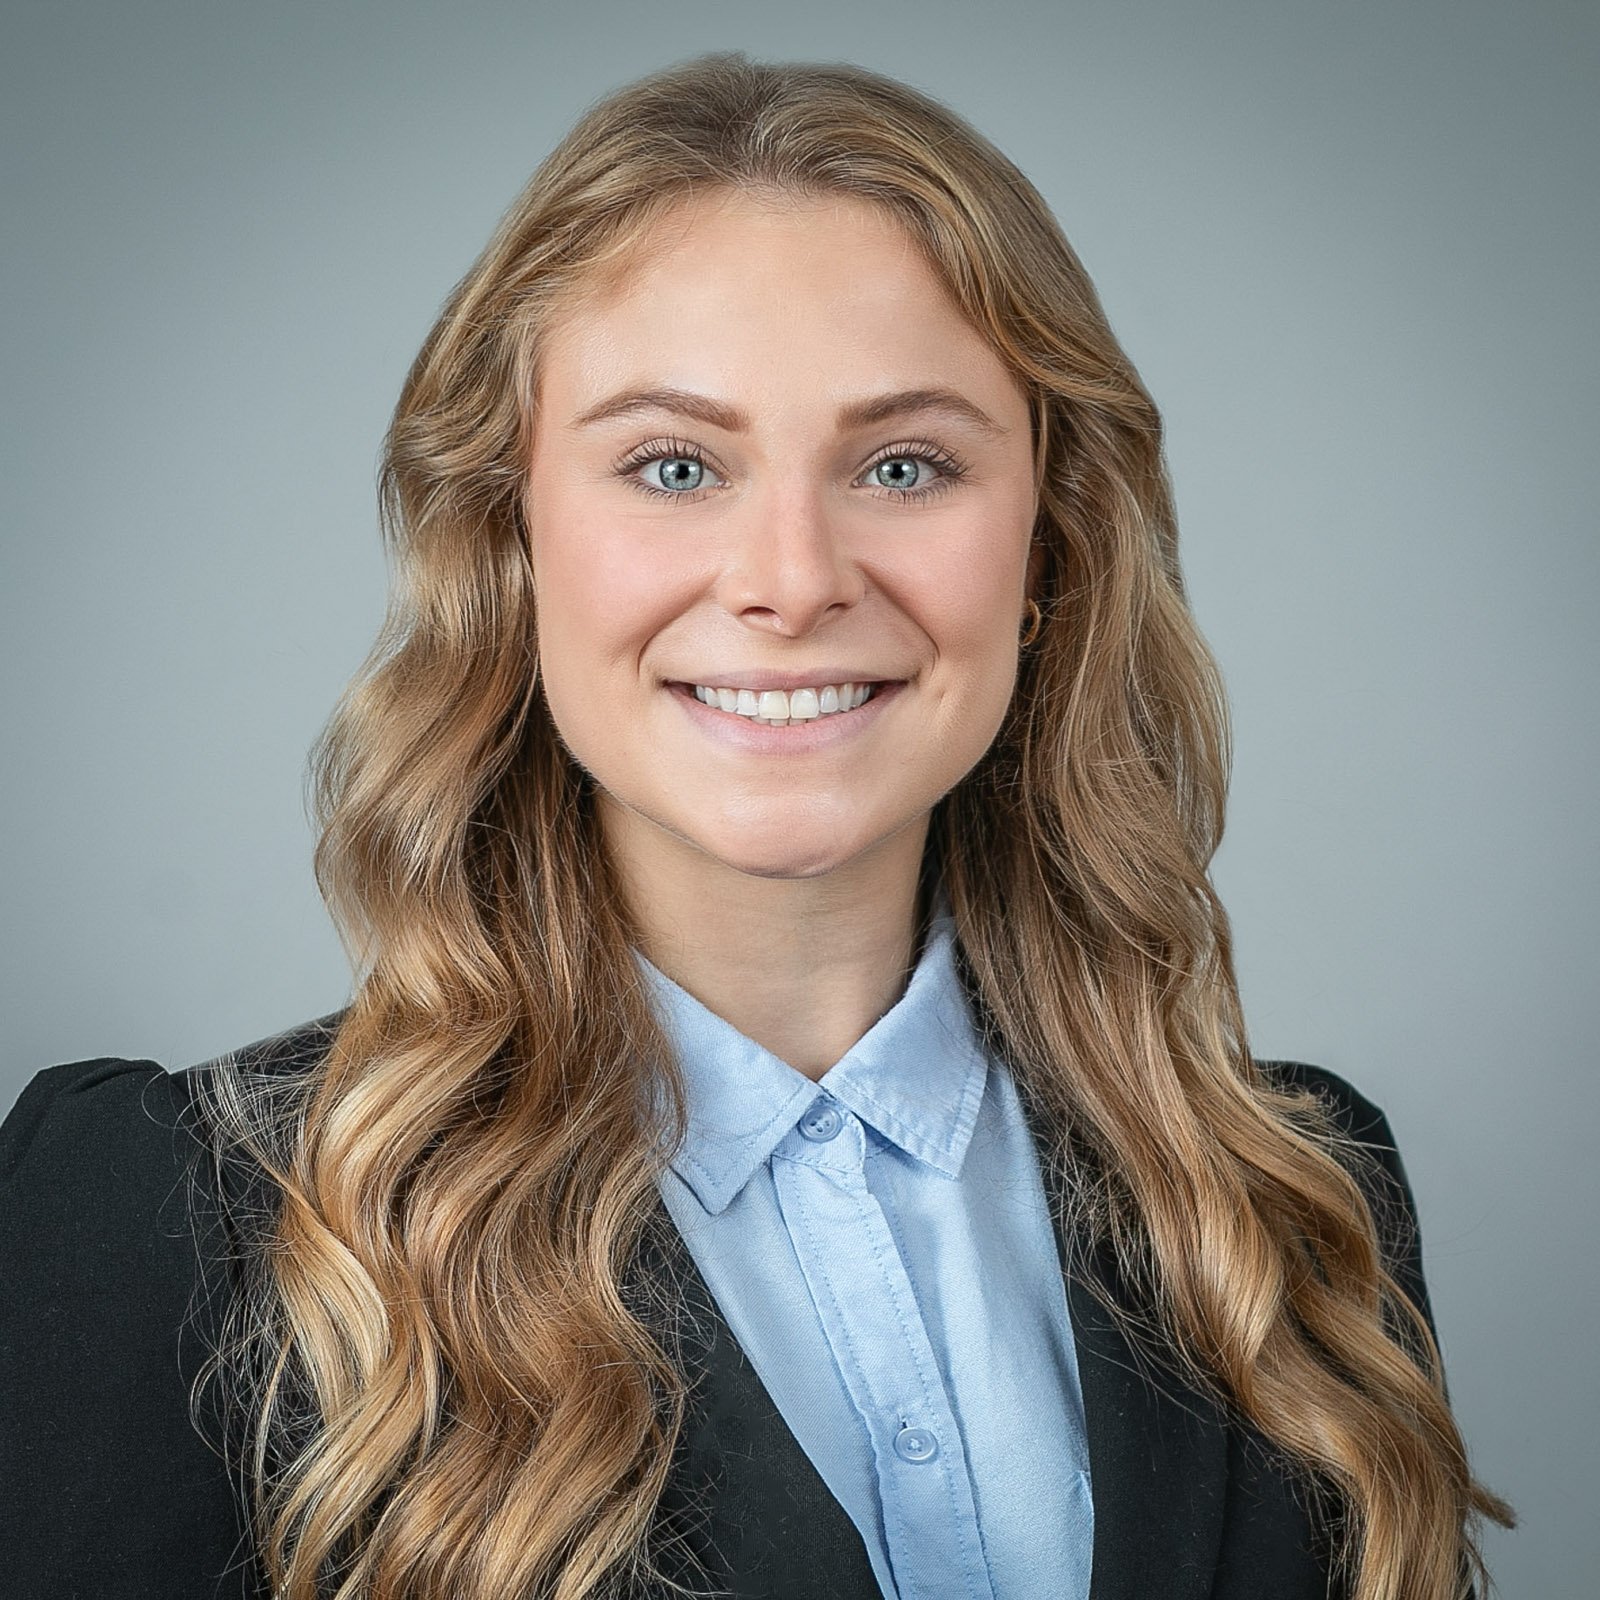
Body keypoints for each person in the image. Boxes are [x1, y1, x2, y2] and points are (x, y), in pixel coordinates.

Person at [0, 51, 1509, 1600]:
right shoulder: (165, 1223)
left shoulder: (1298, 1204)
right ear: (509, 548)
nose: (793, 580)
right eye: (673, 466)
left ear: (1050, 546)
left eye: (905, 465)